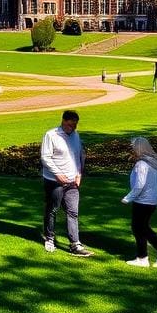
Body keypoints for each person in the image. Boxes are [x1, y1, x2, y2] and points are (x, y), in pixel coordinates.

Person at [40, 109, 94, 257]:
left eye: (75, 125)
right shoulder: (51, 135)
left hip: (72, 182)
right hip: (54, 181)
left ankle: (75, 244)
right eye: (71, 125)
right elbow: (45, 157)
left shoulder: (75, 136)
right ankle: (49, 238)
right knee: (53, 210)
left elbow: (78, 155)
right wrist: (57, 173)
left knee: (73, 212)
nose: (74, 128)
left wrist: (79, 173)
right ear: (63, 121)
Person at [121, 137, 157, 268]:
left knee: (138, 227)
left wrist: (128, 198)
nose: (132, 150)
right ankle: (154, 253)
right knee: (142, 227)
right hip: (153, 199)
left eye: (133, 147)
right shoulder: (155, 160)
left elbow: (139, 185)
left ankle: (146, 257)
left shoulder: (141, 164)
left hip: (143, 200)